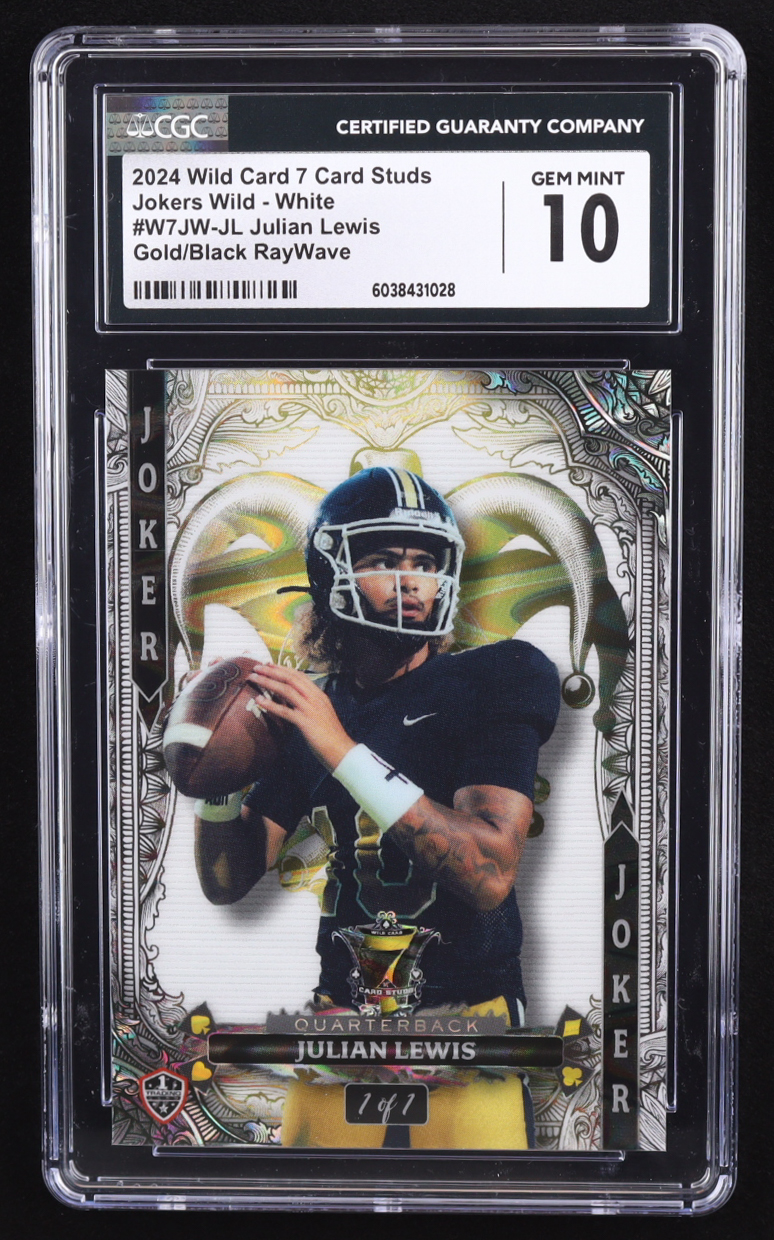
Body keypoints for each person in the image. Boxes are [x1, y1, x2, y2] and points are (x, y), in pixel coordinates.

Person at [192, 466, 560, 1148]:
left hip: (465, 1025)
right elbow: (227, 880)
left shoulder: (497, 675)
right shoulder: (313, 706)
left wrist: (341, 749)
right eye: (386, 559)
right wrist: (215, 775)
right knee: (318, 1202)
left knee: (476, 1204)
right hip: (343, 1025)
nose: (411, 580)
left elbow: (488, 873)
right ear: (330, 572)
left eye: (426, 562)